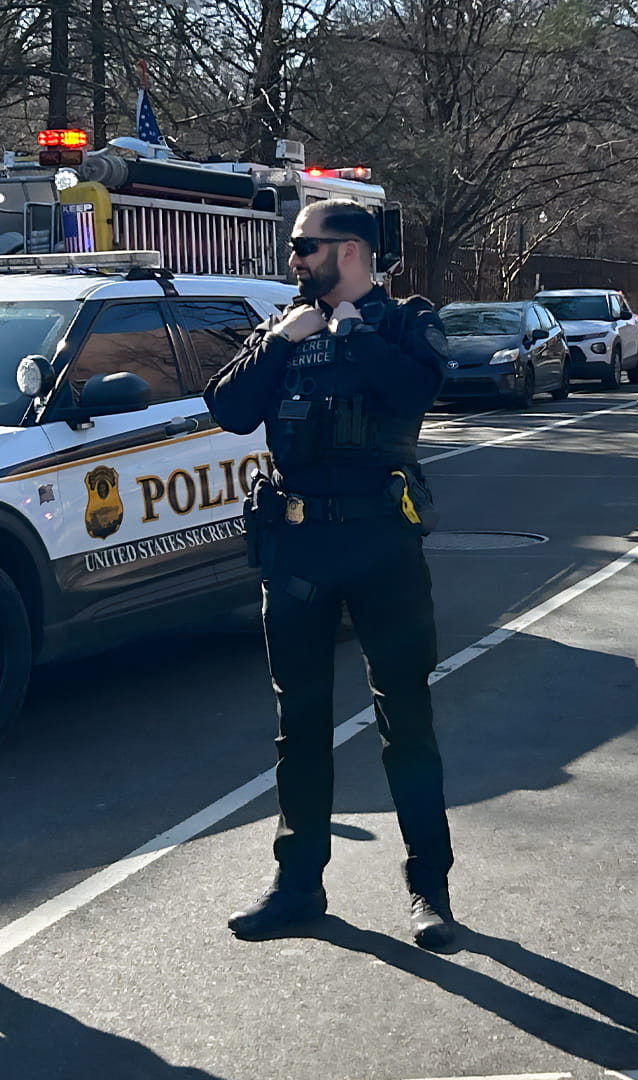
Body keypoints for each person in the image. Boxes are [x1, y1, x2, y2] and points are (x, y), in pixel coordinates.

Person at [204, 200, 458, 950]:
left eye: (304, 247)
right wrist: (283, 339)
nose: (293, 260)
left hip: (382, 543)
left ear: (348, 251)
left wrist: (352, 331)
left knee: (405, 717)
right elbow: (228, 408)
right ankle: (297, 886)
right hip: (297, 547)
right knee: (301, 723)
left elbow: (414, 394)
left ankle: (429, 888)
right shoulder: (284, 328)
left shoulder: (404, 324)